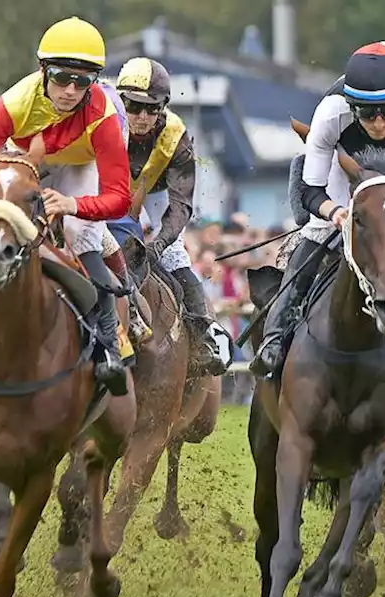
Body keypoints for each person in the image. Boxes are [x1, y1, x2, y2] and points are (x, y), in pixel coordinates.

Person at [0, 16, 133, 393]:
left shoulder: (103, 116)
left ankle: (109, 350)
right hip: (25, 162)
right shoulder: (17, 101)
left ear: (94, 82)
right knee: (0, 232)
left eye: (82, 81)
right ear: (42, 71)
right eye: (61, 77)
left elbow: (119, 198)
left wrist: (73, 204)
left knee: (83, 235)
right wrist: (0, 195)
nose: (70, 90)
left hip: (81, 168)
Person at [249, 41, 385, 392]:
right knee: (314, 238)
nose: (378, 123)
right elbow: (311, 191)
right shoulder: (329, 114)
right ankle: (275, 337)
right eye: (368, 114)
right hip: (340, 181)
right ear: (351, 106)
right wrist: (338, 213)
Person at [113, 57, 227, 376]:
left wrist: (160, 244)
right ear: (121, 100)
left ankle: (203, 337)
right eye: (135, 107)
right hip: (104, 190)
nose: (144, 116)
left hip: (154, 194)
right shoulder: (102, 120)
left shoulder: (176, 135)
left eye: (153, 108)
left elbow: (180, 205)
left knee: (177, 259)